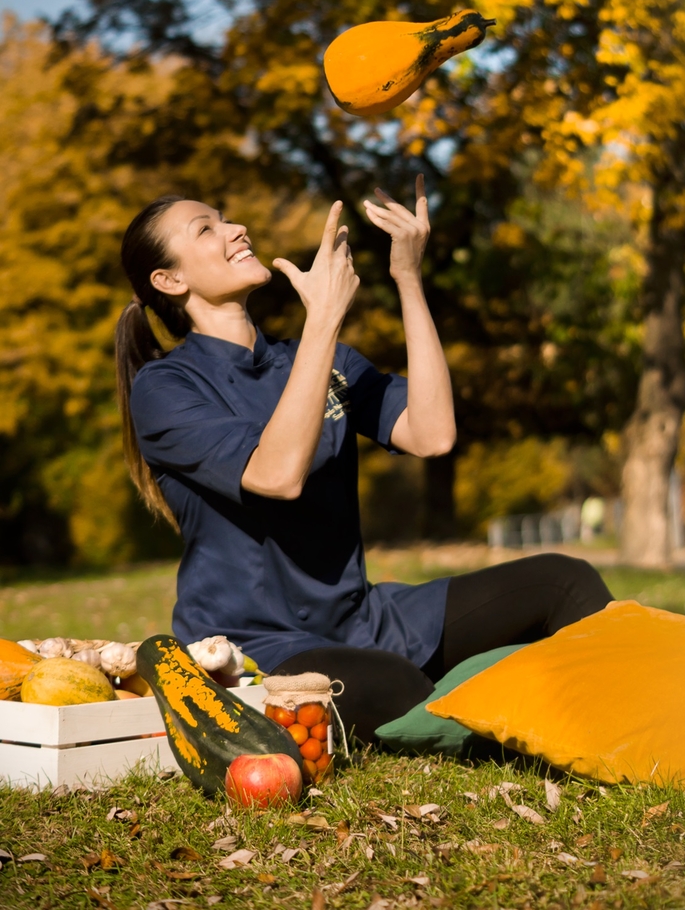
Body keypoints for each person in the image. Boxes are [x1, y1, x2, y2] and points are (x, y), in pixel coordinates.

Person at [115, 177, 613, 742]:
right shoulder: (166, 387)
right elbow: (276, 476)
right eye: (207, 228)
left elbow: (432, 433)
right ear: (169, 279)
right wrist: (323, 319)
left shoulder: (319, 359)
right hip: (257, 649)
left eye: (226, 216)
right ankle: (520, 711)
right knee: (399, 689)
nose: (236, 229)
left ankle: (626, 725)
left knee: (563, 581)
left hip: (367, 620)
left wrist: (408, 278)